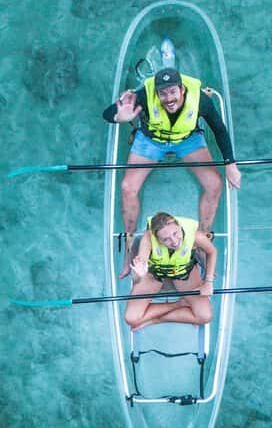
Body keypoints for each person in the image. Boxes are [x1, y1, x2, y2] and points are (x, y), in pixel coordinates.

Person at [102, 67, 241, 277]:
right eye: (163, 93)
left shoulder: (201, 99)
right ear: (157, 92)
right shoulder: (144, 95)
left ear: (182, 89)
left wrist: (230, 164)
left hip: (187, 141)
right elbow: (107, 113)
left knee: (215, 184)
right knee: (127, 187)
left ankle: (202, 240)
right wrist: (118, 117)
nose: (169, 98)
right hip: (151, 141)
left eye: (173, 92)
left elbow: (219, 129)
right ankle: (130, 245)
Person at [124, 212, 217, 331]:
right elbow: (140, 264)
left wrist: (208, 282)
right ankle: (179, 305)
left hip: (183, 273)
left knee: (205, 316)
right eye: (166, 239)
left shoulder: (196, 236)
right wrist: (139, 275)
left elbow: (212, 252)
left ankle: (154, 319)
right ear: (157, 239)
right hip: (154, 274)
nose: (174, 241)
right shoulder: (148, 238)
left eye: (175, 233)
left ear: (179, 226)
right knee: (131, 318)